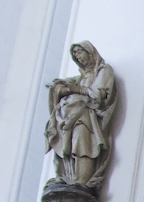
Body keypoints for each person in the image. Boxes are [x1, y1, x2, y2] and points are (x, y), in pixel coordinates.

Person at [45, 41, 117, 189]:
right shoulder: (80, 77)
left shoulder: (103, 71)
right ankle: (64, 176)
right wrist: (61, 89)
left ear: (90, 52)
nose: (77, 56)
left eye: (79, 52)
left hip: (87, 117)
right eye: (75, 54)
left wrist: (78, 90)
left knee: (81, 140)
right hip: (68, 116)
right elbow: (61, 86)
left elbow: (98, 95)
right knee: (61, 135)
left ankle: (82, 179)